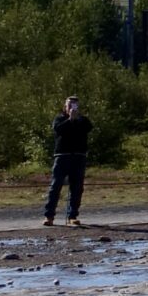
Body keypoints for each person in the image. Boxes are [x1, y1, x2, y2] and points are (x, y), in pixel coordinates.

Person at [42, 96, 90, 227]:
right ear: (65, 106)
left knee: (77, 188)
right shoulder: (59, 119)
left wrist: (76, 119)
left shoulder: (83, 120)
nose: (71, 108)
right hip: (62, 156)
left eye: (74, 105)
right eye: (69, 105)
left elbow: (88, 128)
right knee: (55, 186)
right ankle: (49, 216)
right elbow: (58, 130)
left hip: (78, 157)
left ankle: (72, 216)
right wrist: (70, 120)